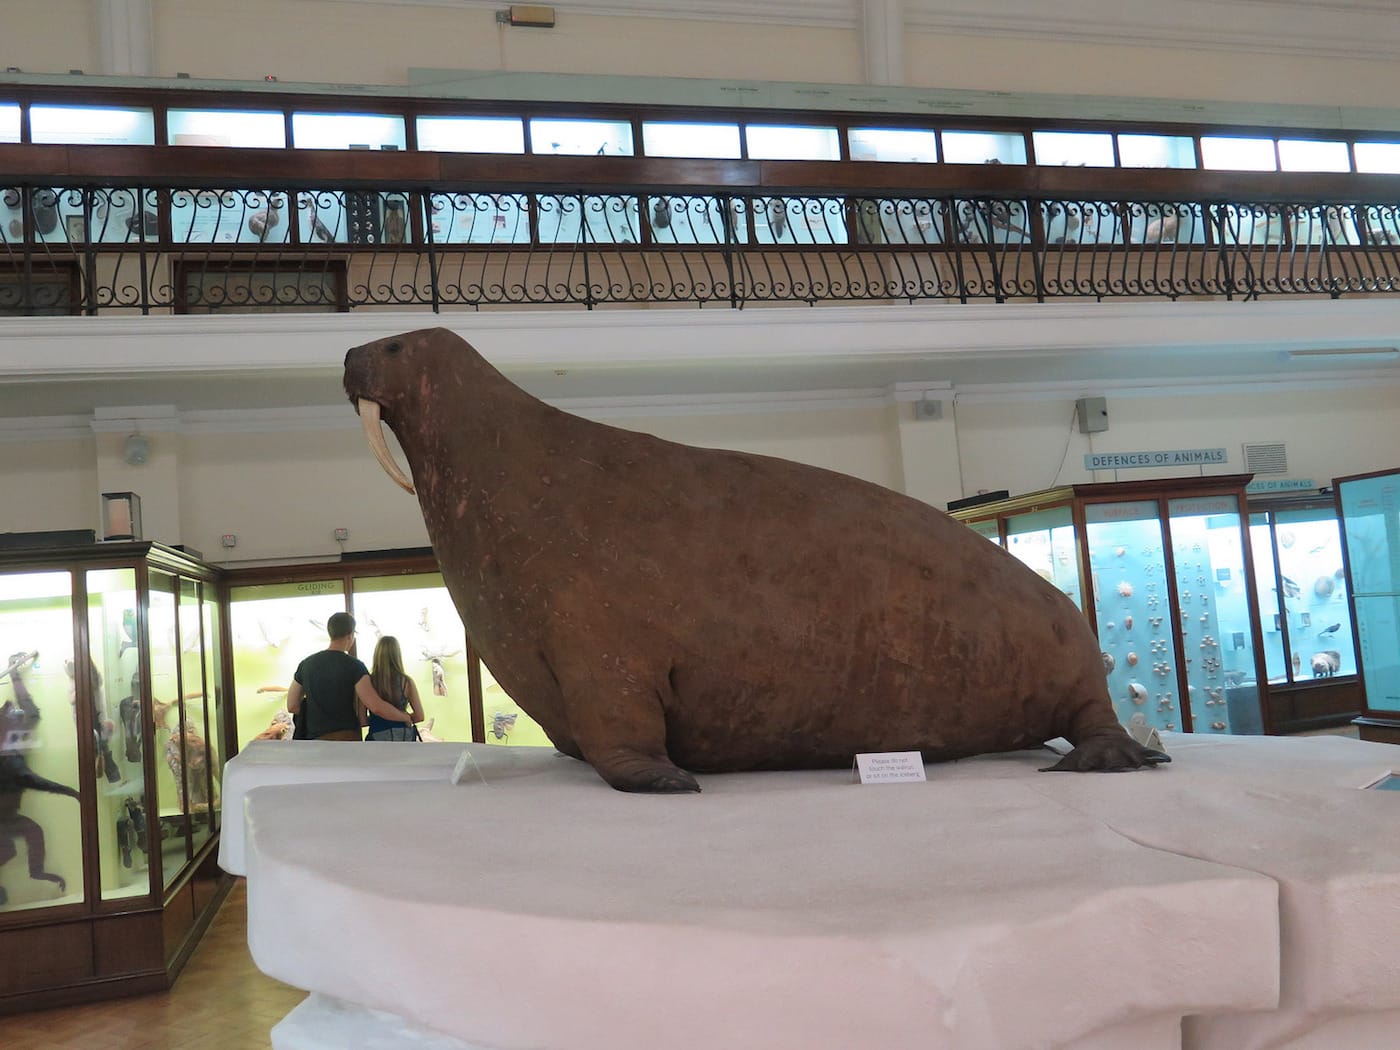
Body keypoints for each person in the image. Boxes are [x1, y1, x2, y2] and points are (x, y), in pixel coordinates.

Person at [286, 613, 411, 741]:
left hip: (315, 740)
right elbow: (376, 706)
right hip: (346, 739)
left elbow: (292, 705)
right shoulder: (355, 666)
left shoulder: (306, 664)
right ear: (350, 636)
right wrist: (404, 717)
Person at [363, 636, 425, 742]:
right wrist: (404, 718)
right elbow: (419, 716)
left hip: (377, 737)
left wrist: (378, 719)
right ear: (397, 655)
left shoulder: (366, 682)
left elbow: (362, 720)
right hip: (403, 738)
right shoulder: (407, 682)